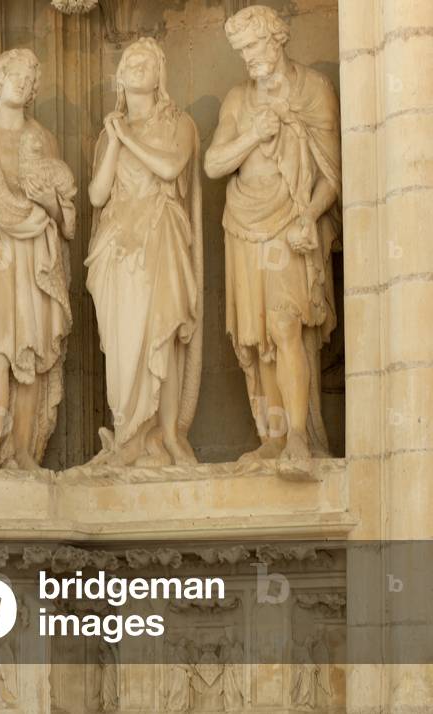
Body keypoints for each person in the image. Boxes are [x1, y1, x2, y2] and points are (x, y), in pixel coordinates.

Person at [205, 5, 340, 460]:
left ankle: (300, 435)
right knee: (257, 337)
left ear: (278, 38)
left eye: (255, 45)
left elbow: (332, 172)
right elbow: (214, 164)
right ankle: (274, 438)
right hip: (243, 223)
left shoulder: (314, 89)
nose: (249, 58)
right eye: (241, 50)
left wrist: (309, 216)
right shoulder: (238, 100)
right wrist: (252, 135)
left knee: (286, 325)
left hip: (289, 221)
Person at [0, 48, 76, 469]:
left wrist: (50, 204)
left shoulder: (44, 139)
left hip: (36, 257)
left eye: (28, 78)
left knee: (32, 356)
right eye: (14, 75)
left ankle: (23, 451)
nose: (21, 83)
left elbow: (62, 214)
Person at [86, 37, 202, 466]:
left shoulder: (180, 124)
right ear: (118, 77)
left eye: (146, 61)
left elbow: (171, 167)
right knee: (122, 342)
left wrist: (128, 138)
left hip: (159, 234)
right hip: (117, 244)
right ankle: (127, 436)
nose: (136, 65)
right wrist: (115, 139)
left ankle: (167, 436)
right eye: (129, 60)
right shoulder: (108, 137)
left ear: (160, 76)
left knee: (162, 336)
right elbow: (97, 195)